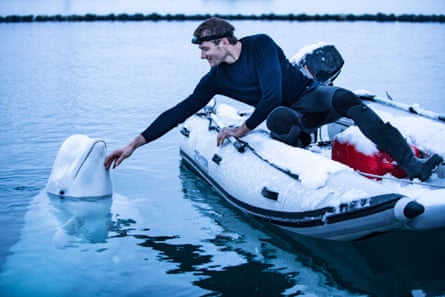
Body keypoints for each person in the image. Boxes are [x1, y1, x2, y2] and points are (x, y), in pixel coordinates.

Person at [104, 17, 442, 181]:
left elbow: (272, 93)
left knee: (344, 97)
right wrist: (134, 143)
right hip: (287, 118)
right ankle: (300, 144)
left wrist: (243, 128)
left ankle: (414, 167)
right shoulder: (214, 80)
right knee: (280, 116)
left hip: (310, 99)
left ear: (223, 42)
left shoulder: (260, 44)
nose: (202, 56)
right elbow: (179, 111)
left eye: (205, 49)